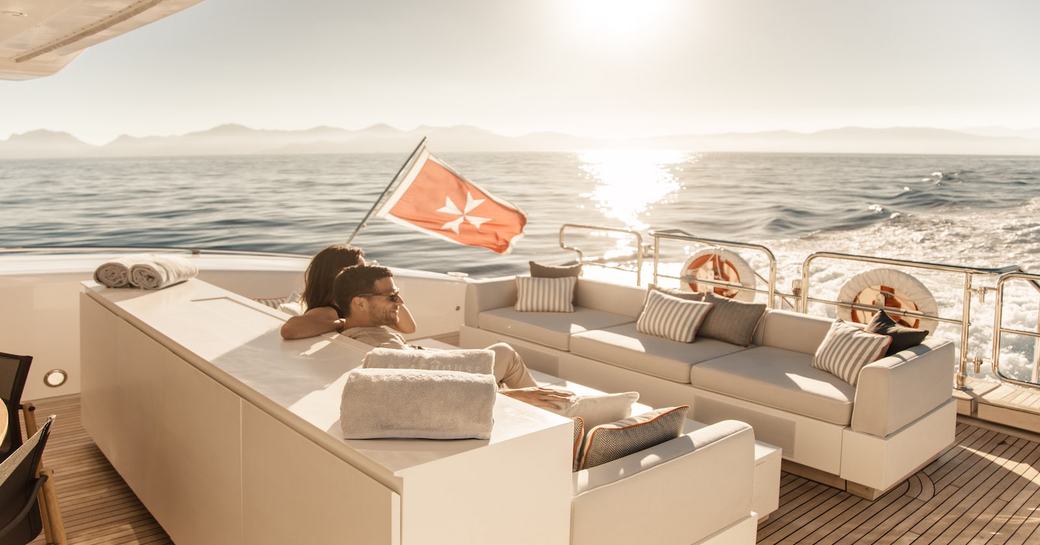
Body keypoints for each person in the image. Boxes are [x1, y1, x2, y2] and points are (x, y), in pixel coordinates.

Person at [333, 264, 573, 409]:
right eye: (392, 297)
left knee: (504, 351)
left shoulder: (349, 329)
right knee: (508, 357)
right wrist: (514, 396)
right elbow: (430, 395)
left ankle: (552, 407)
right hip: (452, 384)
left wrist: (390, 298)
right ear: (359, 303)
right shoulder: (381, 349)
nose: (400, 301)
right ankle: (554, 412)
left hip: (437, 368)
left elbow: (408, 328)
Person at [280, 244, 416, 340]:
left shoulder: (360, 304)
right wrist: (344, 322)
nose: (365, 272)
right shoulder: (329, 311)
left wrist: (391, 294)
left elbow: (409, 328)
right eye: (361, 269)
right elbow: (289, 330)